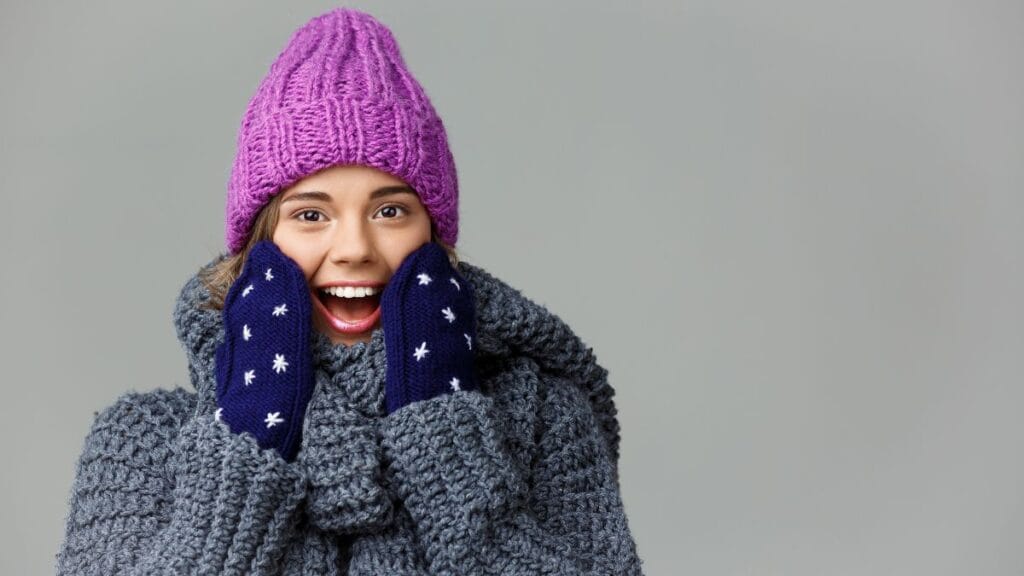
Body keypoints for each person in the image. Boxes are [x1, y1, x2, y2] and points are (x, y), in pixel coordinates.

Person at [55, 7, 644, 575]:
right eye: (311, 215)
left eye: (390, 210)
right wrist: (247, 440)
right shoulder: (143, 442)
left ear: (434, 235)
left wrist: (445, 433)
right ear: (261, 242)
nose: (355, 248)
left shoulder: (541, 420)